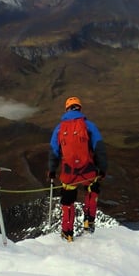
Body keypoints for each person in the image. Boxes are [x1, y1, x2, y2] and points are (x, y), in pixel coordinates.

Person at [48, 96, 108, 242]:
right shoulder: (88, 125)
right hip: (88, 169)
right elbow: (99, 148)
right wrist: (102, 168)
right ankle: (89, 222)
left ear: (67, 109)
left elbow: (53, 152)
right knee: (91, 191)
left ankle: (67, 233)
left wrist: (51, 170)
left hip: (69, 172)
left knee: (68, 202)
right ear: (79, 108)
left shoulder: (59, 128)